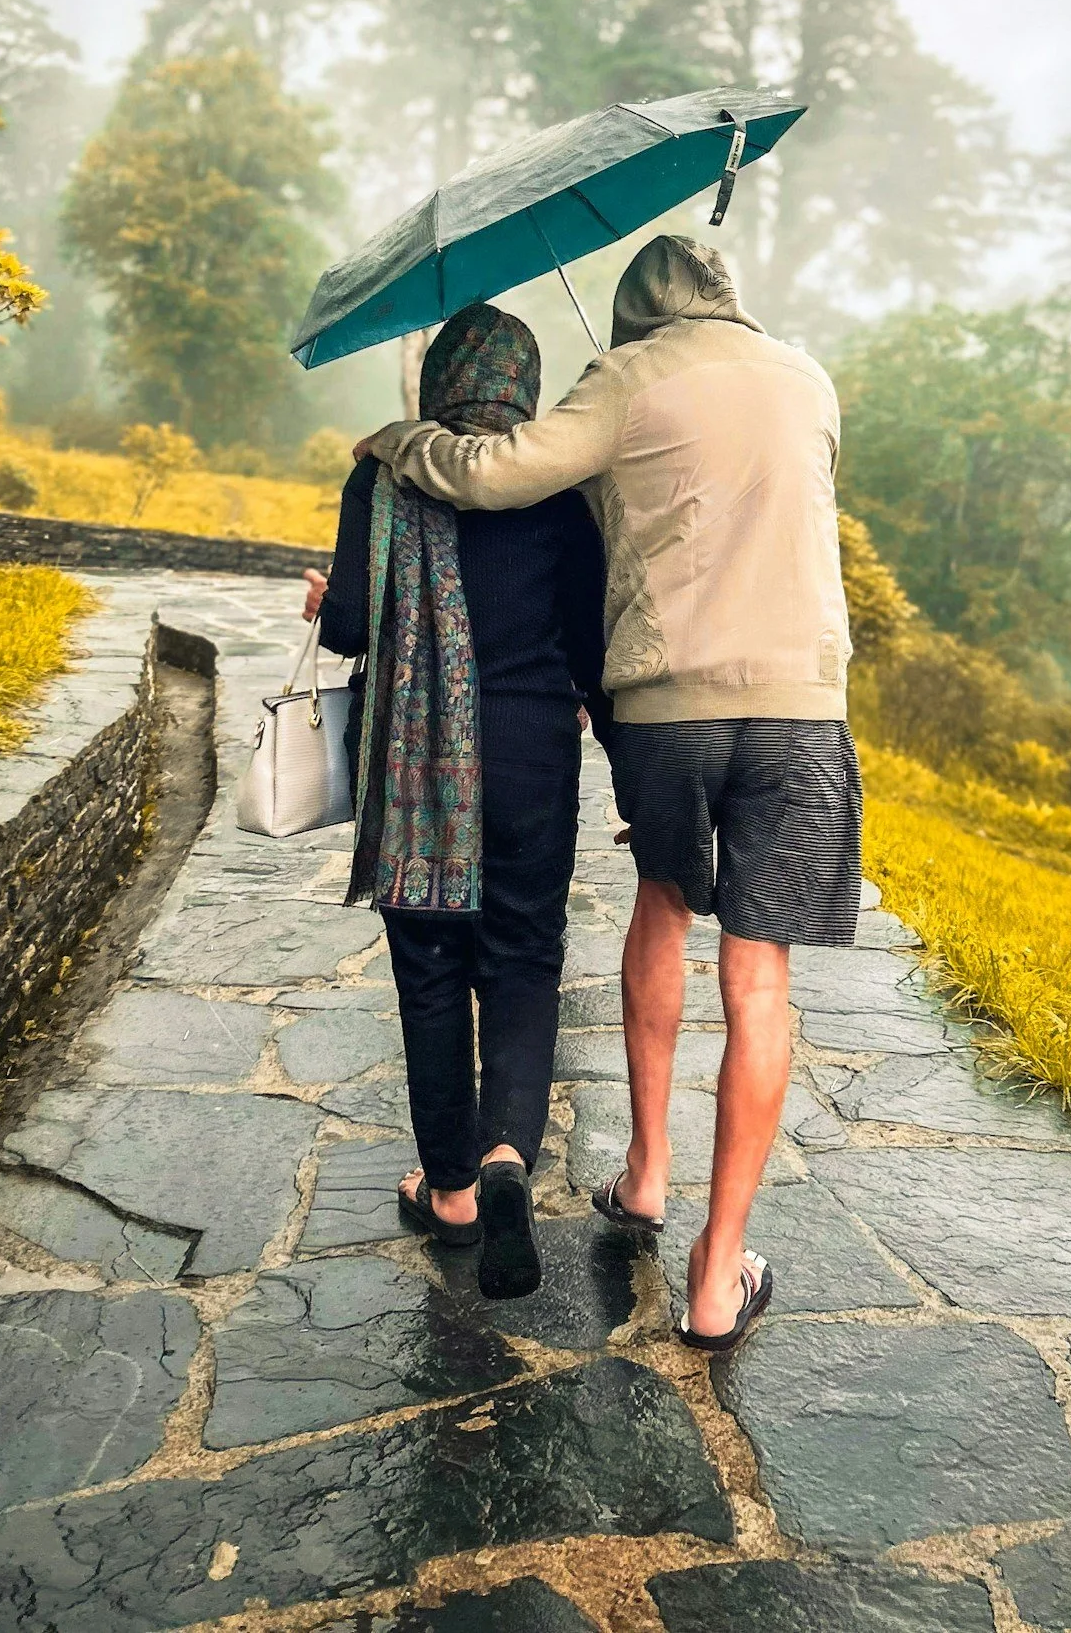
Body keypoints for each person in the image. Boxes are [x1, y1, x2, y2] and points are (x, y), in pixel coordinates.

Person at [357, 232, 858, 1352]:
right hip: (800, 704)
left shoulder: (626, 376)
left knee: (665, 908)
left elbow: (494, 473)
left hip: (674, 708)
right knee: (758, 977)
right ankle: (719, 1277)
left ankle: (643, 1174)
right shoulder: (807, 379)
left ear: (634, 312)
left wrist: (401, 442)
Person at [305, 301, 608, 1299]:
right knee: (523, 957)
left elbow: (351, 626)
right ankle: (508, 1154)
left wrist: (328, 600)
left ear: (440, 382)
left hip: (415, 765)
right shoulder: (559, 487)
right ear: (522, 386)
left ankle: (450, 1189)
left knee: (430, 968)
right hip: (530, 757)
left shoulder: (384, 472)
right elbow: (592, 648)